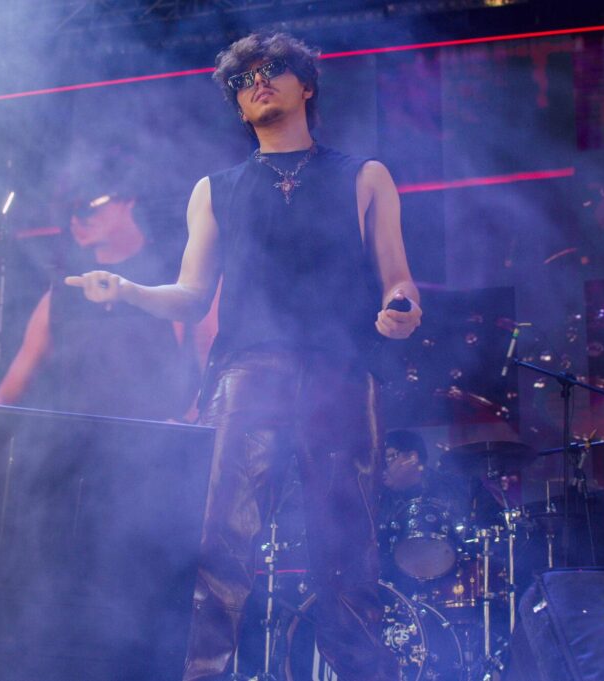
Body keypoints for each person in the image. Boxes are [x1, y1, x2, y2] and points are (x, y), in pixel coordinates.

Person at [65, 32, 422, 681]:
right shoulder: (215, 189)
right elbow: (192, 294)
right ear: (236, 104)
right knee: (222, 547)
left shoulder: (365, 176)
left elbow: (397, 277)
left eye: (273, 69)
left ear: (306, 85)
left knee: (349, 551)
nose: (258, 82)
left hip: (342, 372)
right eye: (243, 79)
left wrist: (401, 309)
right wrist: (128, 290)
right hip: (249, 373)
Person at [0, 188, 192, 420]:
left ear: (127, 200)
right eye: (69, 212)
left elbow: (209, 375)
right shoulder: (62, 295)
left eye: (88, 207)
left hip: (153, 440)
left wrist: (183, 429)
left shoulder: (177, 283)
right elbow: (7, 394)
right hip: (73, 440)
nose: (75, 220)